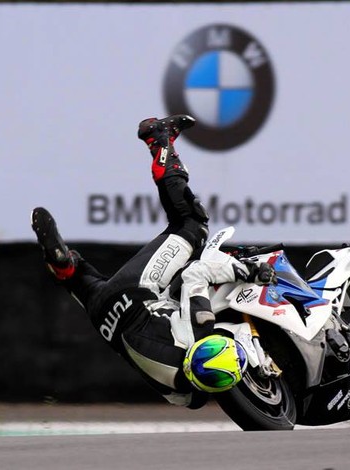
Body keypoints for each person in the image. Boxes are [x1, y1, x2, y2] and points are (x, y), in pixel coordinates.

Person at [31, 115, 276, 408]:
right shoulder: (182, 395)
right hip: (106, 318)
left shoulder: (199, 332)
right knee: (80, 279)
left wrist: (248, 270)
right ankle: (65, 267)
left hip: (134, 295)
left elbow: (196, 275)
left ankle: (160, 142)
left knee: (192, 223)